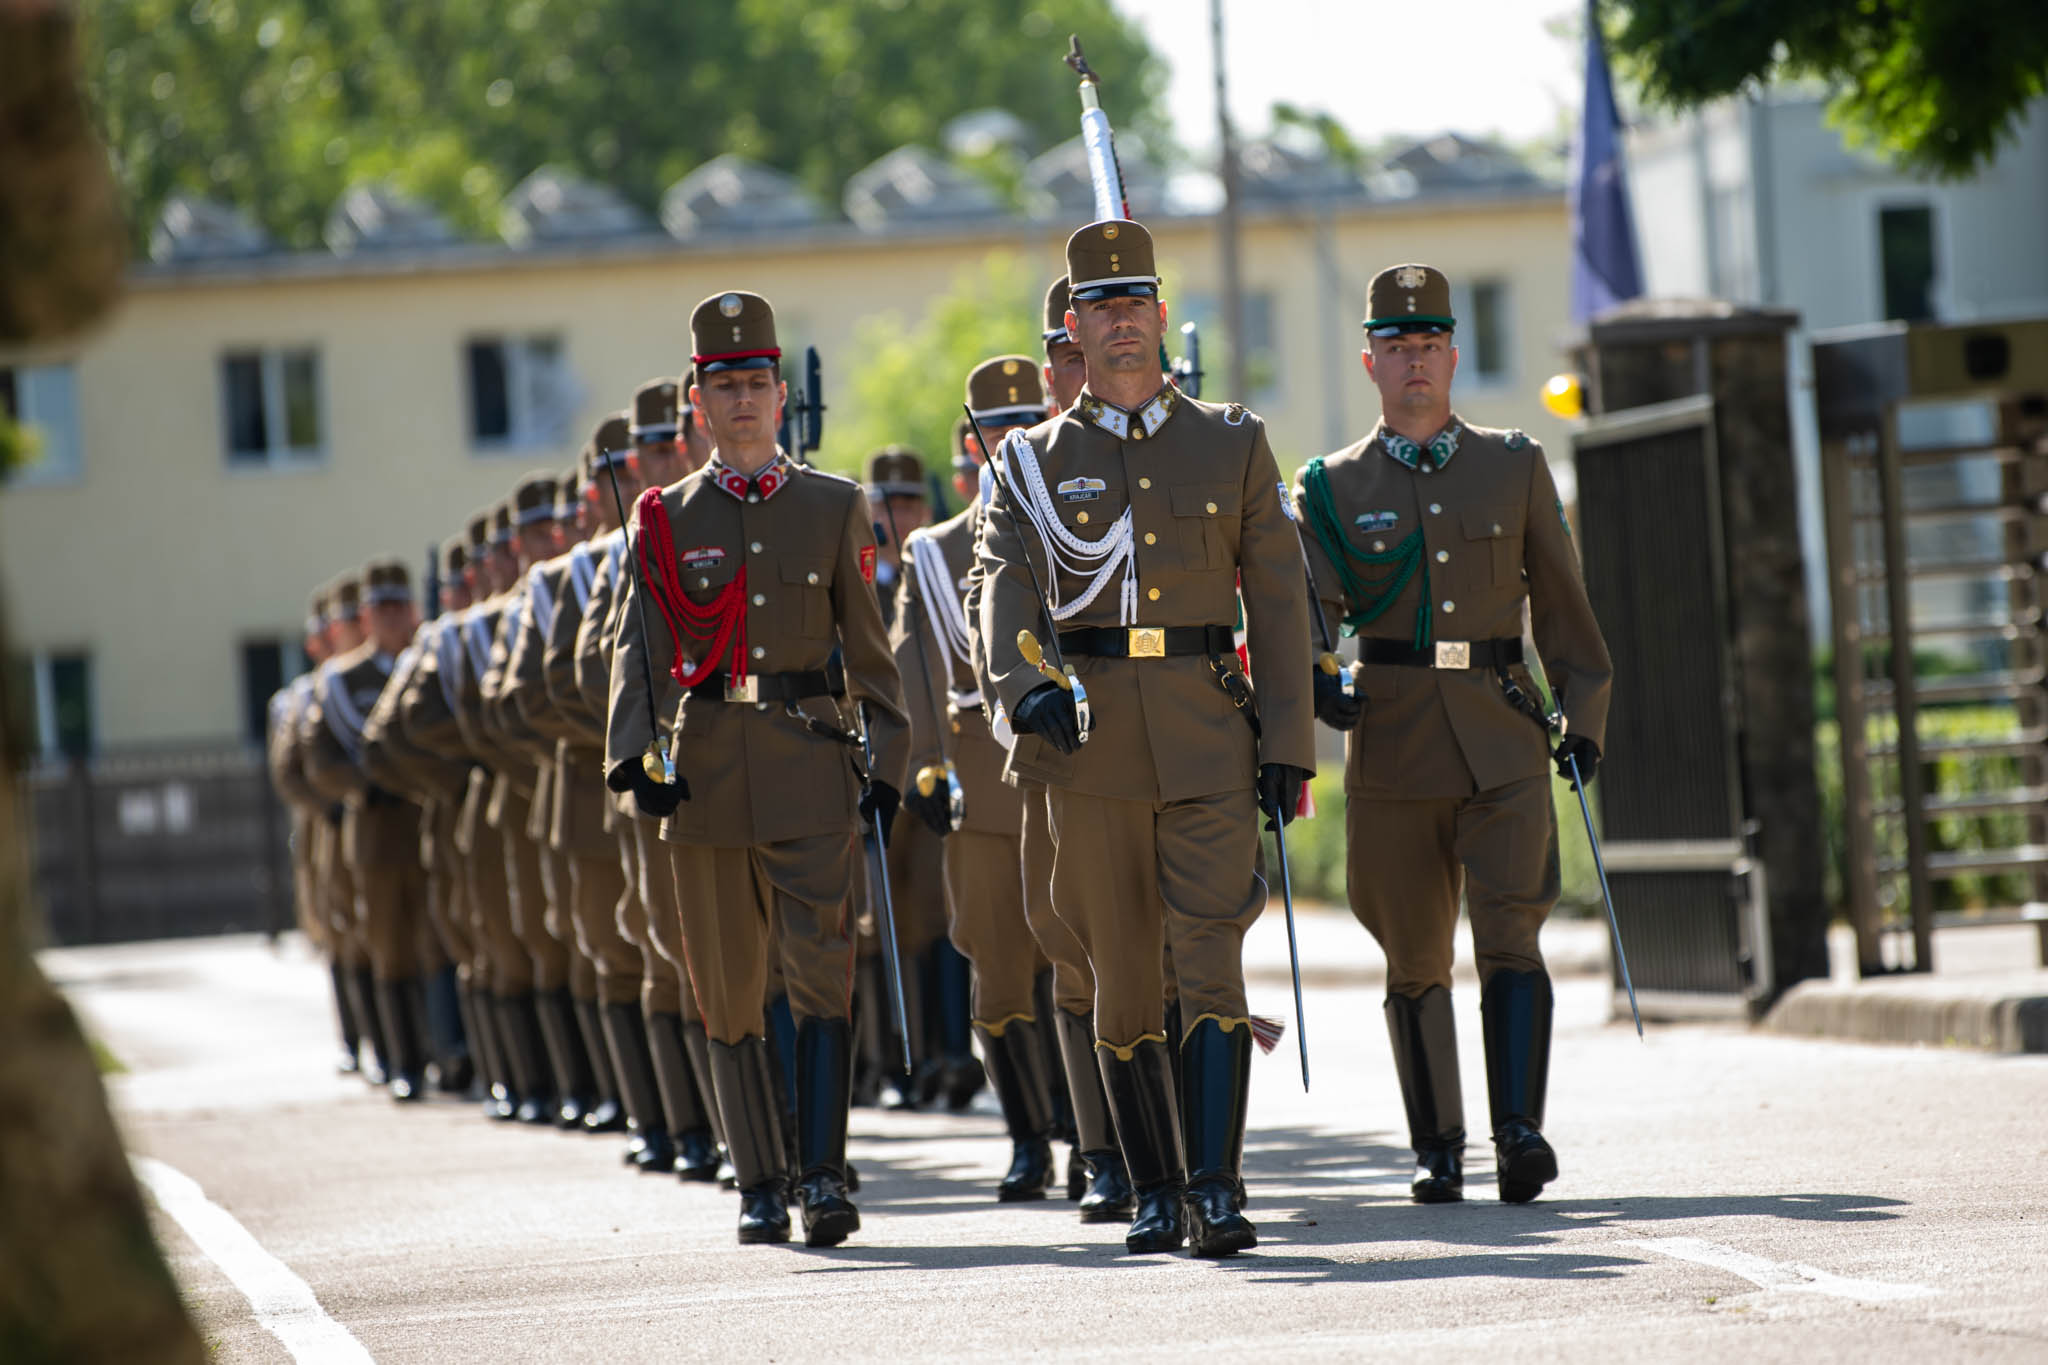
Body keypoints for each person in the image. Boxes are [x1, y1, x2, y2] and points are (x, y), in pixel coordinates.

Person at [976, 220, 1315, 1257]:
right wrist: (1019, 685)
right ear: (1071, 329)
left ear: (1161, 317)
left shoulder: (1232, 441)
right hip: (1089, 743)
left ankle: (1217, 1188)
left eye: (1136, 303)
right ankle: (1157, 1188)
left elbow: (1282, 602)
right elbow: (1002, 580)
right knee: (1121, 972)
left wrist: (1288, 742)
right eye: (1099, 307)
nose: (1120, 322)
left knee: (1210, 963)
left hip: (1209, 729)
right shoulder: (1031, 462)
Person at [1294, 262, 1612, 1206]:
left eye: (1429, 345)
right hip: (1392, 739)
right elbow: (1308, 609)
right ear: (1370, 364)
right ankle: (1439, 1147)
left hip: (1503, 730)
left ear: (1454, 355)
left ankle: (1520, 1131)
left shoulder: (1512, 463)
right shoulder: (1332, 485)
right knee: (1416, 952)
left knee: (1512, 931)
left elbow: (1562, 606)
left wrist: (1583, 717)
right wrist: (1322, 680)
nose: (1415, 362)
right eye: (1397, 348)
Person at [607, 289, 909, 1247]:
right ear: (698, 401)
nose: (743, 400)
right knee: (729, 990)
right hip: (705, 779)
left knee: (823, 979)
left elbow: (872, 654)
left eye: (757, 382)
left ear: (782, 396)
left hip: (811, 767)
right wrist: (633, 754)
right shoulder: (666, 517)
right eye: (725, 384)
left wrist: (888, 763)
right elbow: (643, 647)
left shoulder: (832, 506)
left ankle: (822, 1177)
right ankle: (758, 1178)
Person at [897, 355, 1075, 1203]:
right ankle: (1028, 1137)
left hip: (1071, 771)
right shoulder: (930, 554)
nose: (1008, 442)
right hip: (982, 777)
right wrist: (927, 767)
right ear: (970, 445)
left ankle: (1091, 1134)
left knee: (1077, 958)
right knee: (1000, 969)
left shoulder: (1074, 523)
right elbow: (919, 672)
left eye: (1021, 425)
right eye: (992, 431)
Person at [299, 560, 434, 1101]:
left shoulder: (431, 662)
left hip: (434, 822)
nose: (391, 618)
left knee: (444, 941)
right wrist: (369, 784)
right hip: (376, 832)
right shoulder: (342, 679)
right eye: (381, 609)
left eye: (399, 607)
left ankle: (449, 1051)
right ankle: (404, 1060)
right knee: (389, 946)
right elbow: (319, 759)